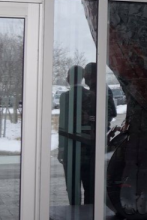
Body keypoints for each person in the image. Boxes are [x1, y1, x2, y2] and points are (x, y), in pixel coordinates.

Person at [57, 65, 95, 205]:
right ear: (82, 78)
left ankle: (75, 214)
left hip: (70, 147)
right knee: (90, 188)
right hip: (89, 148)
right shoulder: (92, 96)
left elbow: (62, 123)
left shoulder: (65, 97)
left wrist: (61, 149)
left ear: (68, 78)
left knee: (73, 189)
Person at [83, 62, 117, 131]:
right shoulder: (96, 89)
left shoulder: (101, 89)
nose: (84, 78)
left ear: (93, 75)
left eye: (86, 75)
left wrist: (91, 118)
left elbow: (112, 113)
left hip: (98, 134)